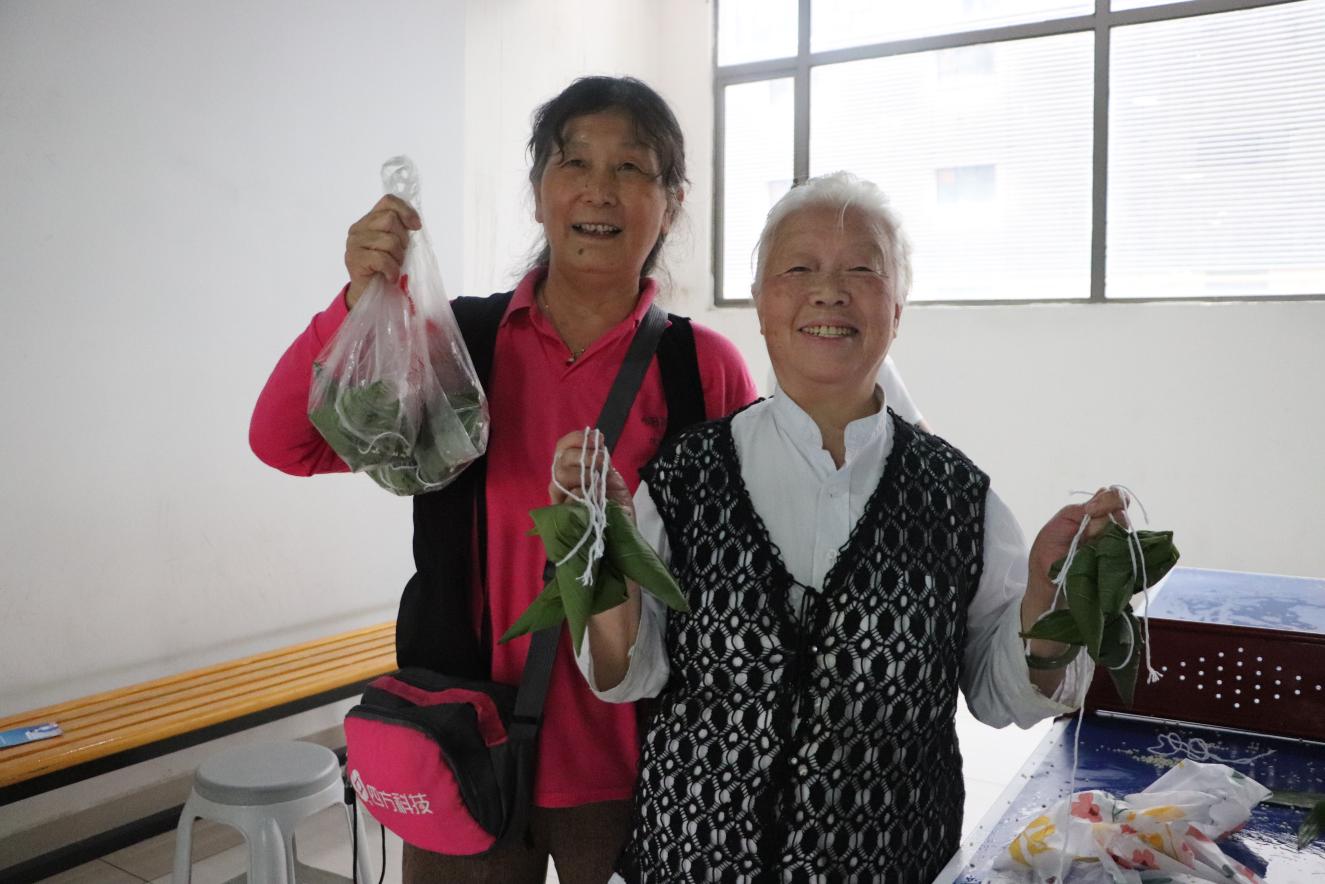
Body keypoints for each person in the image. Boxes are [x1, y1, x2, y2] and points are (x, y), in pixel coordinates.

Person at [249, 76, 758, 883]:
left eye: (631, 167)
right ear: (537, 190)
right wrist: (355, 304)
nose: (598, 189)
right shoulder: (456, 348)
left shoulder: (701, 369)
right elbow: (288, 442)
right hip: (464, 750)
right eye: (573, 162)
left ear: (671, 202)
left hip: (641, 765)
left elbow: (744, 573)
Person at [560, 171, 1121, 882]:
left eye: (862, 269)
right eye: (798, 269)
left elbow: (1000, 691)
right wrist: (601, 549)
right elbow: (626, 672)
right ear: (761, 303)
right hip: (689, 860)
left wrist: (1047, 596)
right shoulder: (684, 476)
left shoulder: (956, 495)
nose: (828, 291)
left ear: (897, 309)